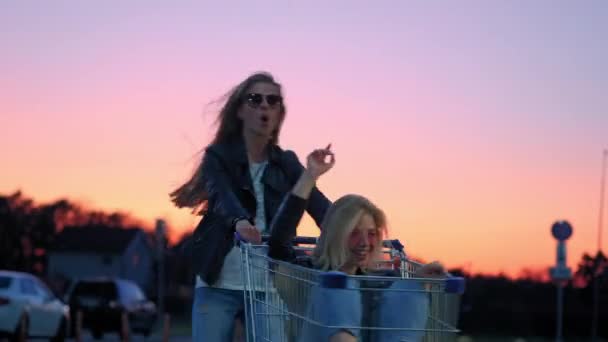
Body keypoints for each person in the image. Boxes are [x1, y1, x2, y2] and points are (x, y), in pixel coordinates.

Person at [170, 72, 331, 341]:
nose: (265, 106)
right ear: (241, 110)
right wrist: (240, 222)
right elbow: (221, 193)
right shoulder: (218, 156)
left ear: (280, 113)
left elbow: (322, 208)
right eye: (255, 99)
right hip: (218, 281)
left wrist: (350, 227)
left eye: (273, 100)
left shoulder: (287, 162)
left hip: (267, 286)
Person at [268, 146, 445, 342]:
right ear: (337, 235)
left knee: (404, 292)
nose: (364, 243)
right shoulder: (306, 273)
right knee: (337, 285)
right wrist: (310, 176)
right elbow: (279, 241)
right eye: (354, 233)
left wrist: (418, 282)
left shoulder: (379, 280)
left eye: (371, 234)